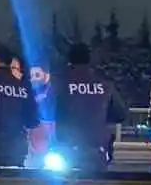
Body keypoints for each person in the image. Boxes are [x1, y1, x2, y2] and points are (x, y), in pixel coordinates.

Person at [52, 42, 128, 174]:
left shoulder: (60, 83)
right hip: (98, 151)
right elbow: (121, 114)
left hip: (68, 151)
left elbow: (48, 112)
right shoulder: (104, 84)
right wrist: (102, 116)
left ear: (69, 61)